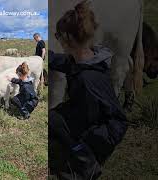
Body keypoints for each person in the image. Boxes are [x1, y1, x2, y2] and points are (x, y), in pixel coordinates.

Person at [49, 1, 128, 179]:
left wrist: (90, 143)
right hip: (86, 114)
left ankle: (86, 162)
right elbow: (64, 63)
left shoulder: (88, 79)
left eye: (57, 36)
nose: (57, 40)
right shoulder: (87, 59)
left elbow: (118, 121)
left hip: (97, 131)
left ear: (67, 38)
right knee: (54, 118)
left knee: (57, 123)